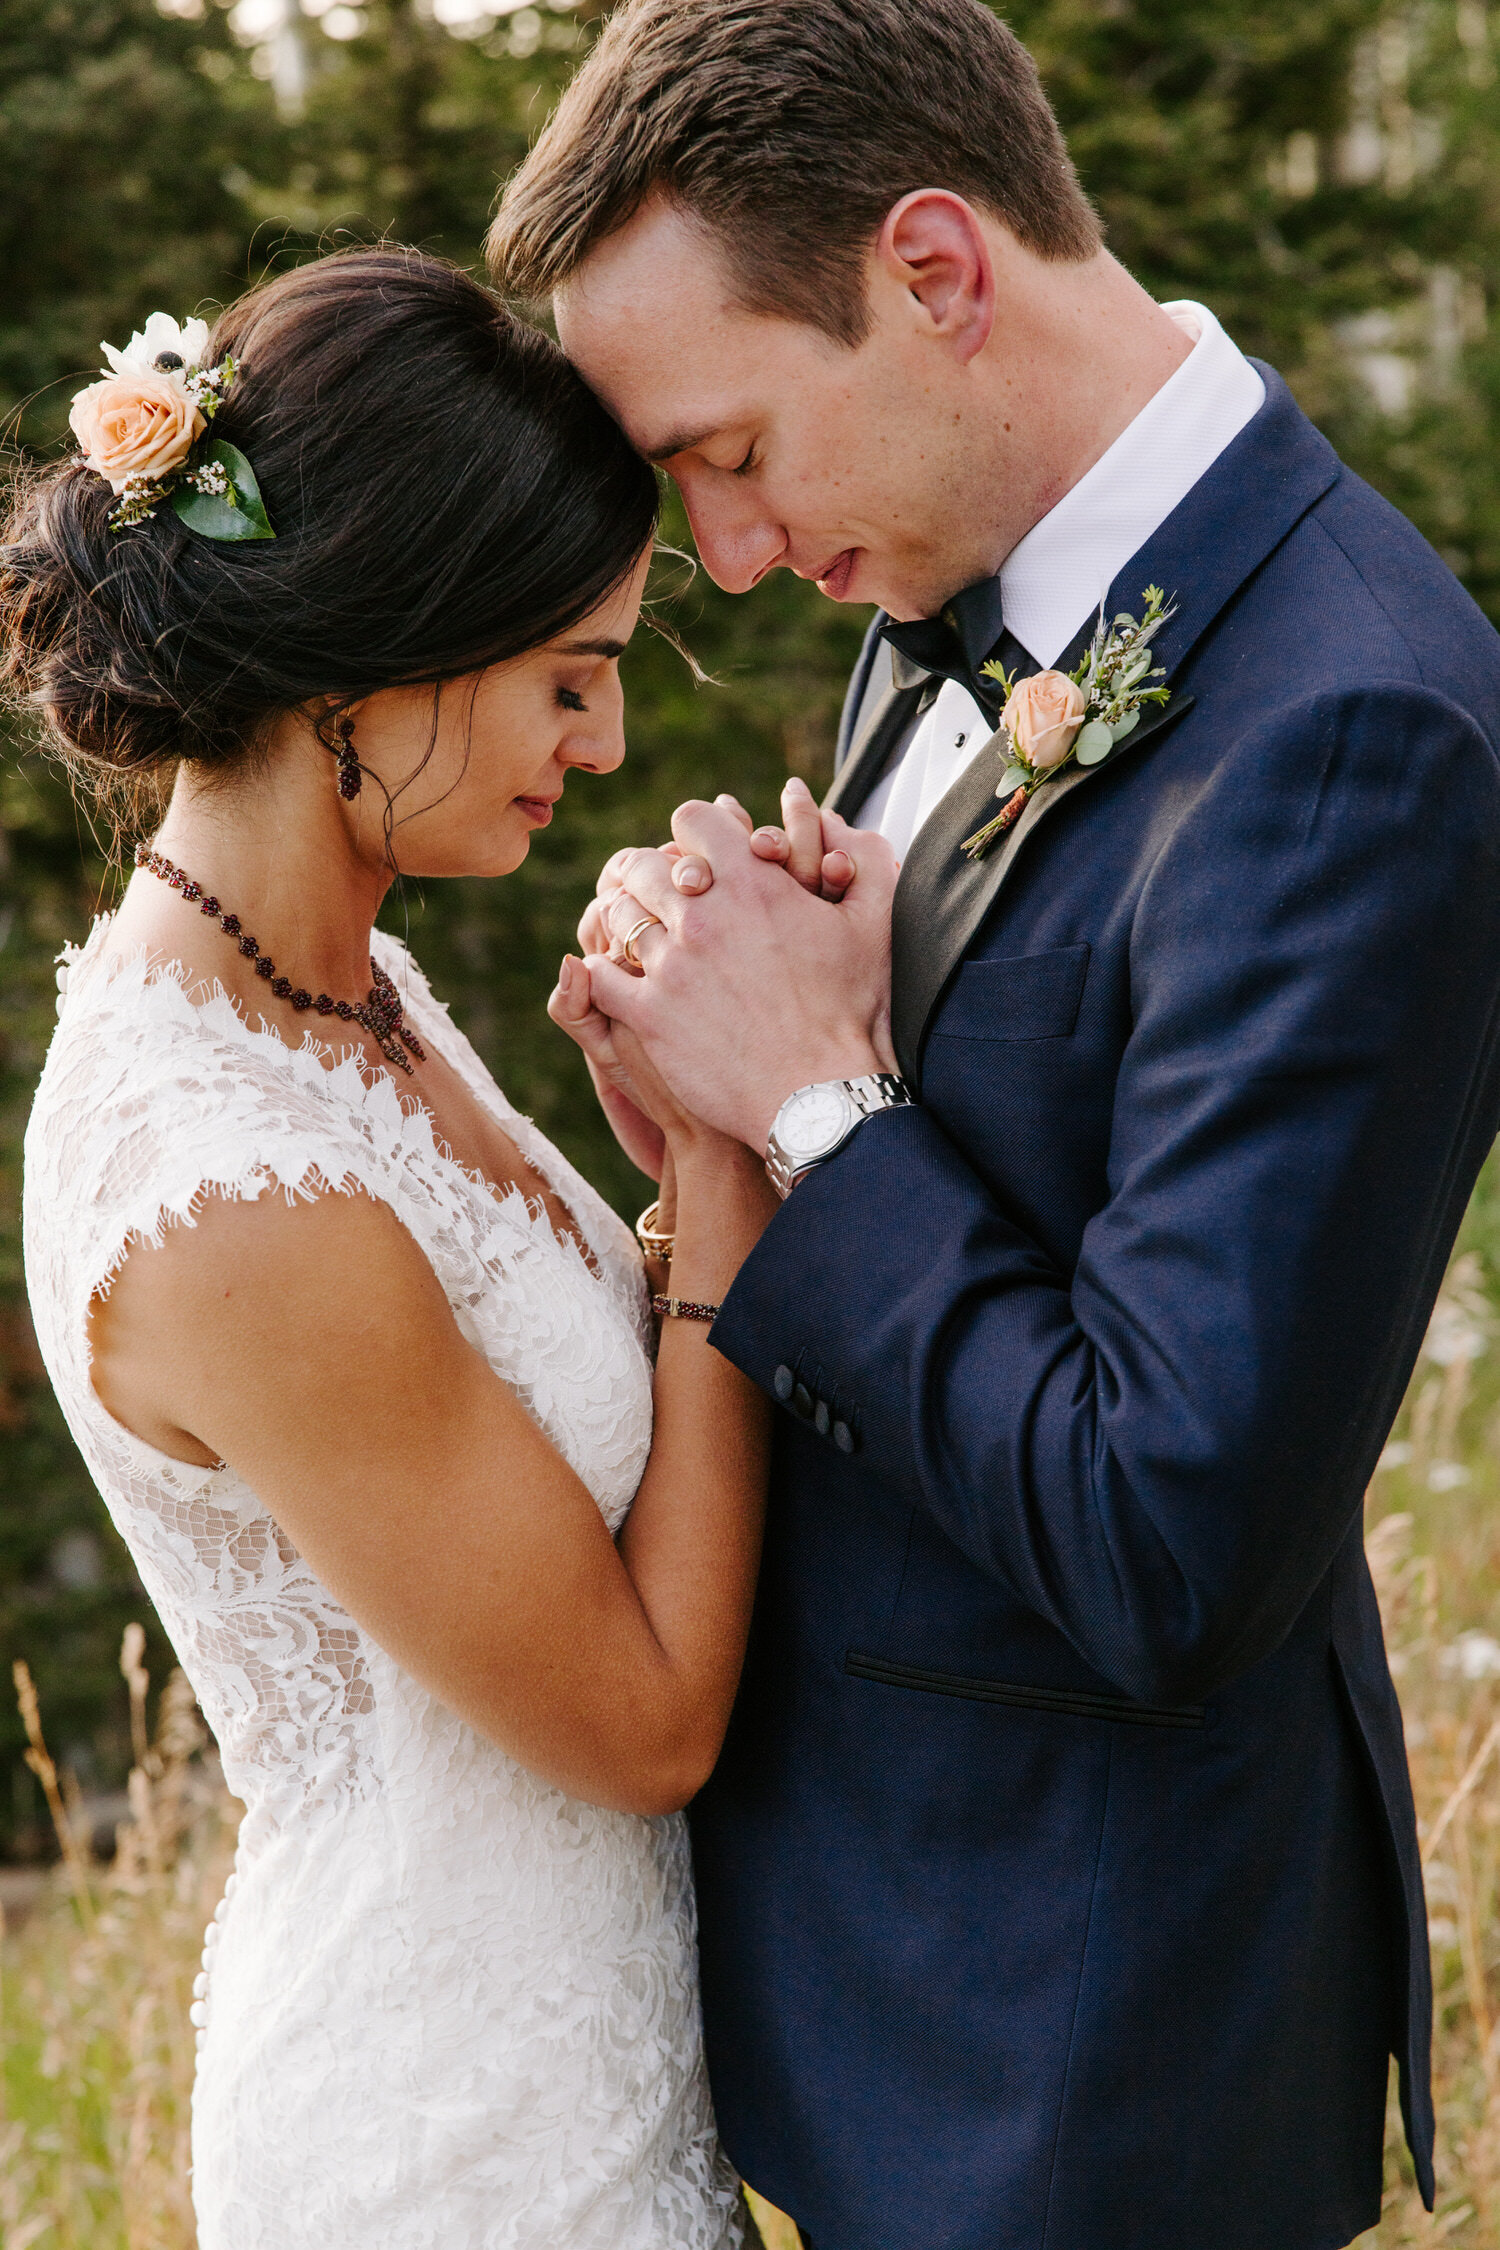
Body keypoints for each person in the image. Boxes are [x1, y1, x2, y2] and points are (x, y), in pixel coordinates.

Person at [489, 2, 1500, 2245]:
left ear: (934, 271)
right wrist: (713, 1071)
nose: (732, 555)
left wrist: (823, 1109)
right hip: (860, 1972)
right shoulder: (951, 586)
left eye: (731, 452)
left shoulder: (1358, 729)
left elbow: (1172, 1535)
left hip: (1069, 2053)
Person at [5, 245, 781, 2250]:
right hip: (461, 2150)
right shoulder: (228, 1184)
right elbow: (639, 1720)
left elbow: (499, 1429)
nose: (601, 742)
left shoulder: (345, 984)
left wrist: (664, 1187)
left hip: (583, 2067)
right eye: (567, 676)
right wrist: (738, 1180)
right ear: (379, 660)